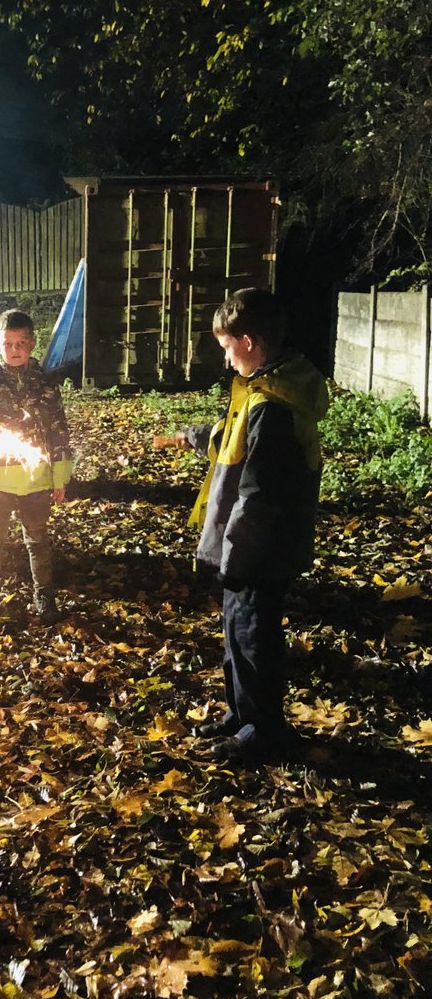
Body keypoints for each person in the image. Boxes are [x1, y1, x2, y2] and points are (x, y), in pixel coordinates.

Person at [155, 287, 328, 760]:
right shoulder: (259, 390)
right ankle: (241, 715)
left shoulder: (274, 406)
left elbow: (259, 495)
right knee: (237, 631)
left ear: (248, 342)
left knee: (254, 638)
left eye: (227, 347)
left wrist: (235, 556)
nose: (227, 358)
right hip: (247, 546)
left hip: (259, 549)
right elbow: (228, 438)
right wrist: (189, 437)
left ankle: (262, 731)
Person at [0, 309, 73, 625]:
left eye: (21, 343)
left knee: (37, 538)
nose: (15, 350)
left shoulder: (44, 382)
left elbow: (59, 430)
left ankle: (44, 596)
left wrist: (60, 476)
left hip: (36, 477)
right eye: (8, 344)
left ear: (32, 343)